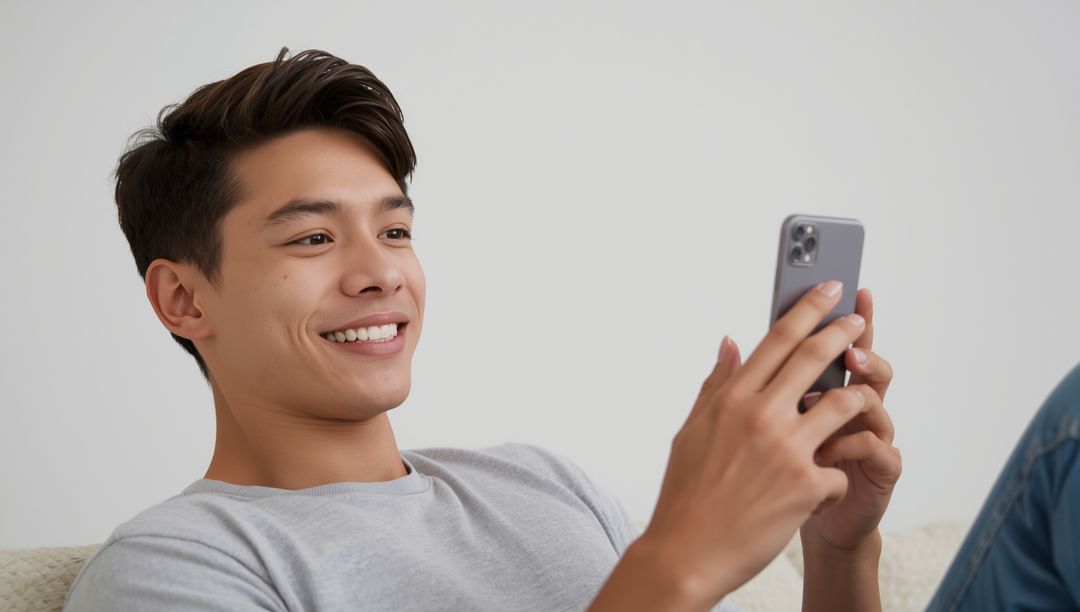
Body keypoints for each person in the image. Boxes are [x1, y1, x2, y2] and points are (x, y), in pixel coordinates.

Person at [62, 44, 989, 611]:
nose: (381, 269)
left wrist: (838, 553)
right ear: (183, 300)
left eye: (395, 229)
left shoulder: (542, 485)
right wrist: (673, 561)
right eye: (313, 236)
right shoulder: (175, 568)